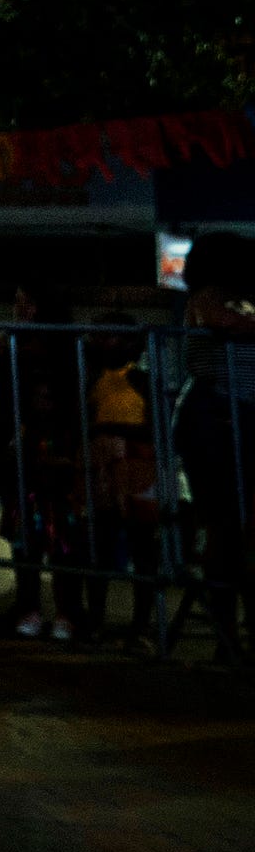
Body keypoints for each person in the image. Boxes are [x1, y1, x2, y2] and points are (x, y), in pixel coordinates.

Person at [177, 232, 255, 663]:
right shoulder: (208, 296)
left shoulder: (241, 297)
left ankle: (237, 627)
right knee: (225, 524)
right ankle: (227, 634)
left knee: (239, 527)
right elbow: (222, 321)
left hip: (239, 411)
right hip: (216, 414)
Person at [2, 281, 87, 641]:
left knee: (64, 535)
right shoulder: (13, 346)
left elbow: (73, 399)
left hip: (60, 446)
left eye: (23, 302)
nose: (18, 309)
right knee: (27, 533)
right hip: (23, 446)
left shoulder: (65, 348)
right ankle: (30, 607)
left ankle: (67, 611)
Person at [80, 314, 162, 650]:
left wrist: (113, 436)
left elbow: (154, 424)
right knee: (99, 543)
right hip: (102, 470)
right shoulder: (91, 377)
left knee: (143, 546)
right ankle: (96, 619)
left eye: (112, 336)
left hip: (137, 468)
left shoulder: (142, 380)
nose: (103, 341)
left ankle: (141, 625)